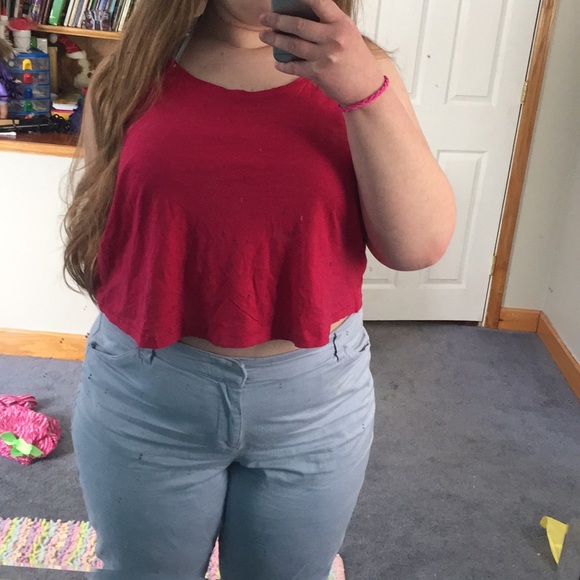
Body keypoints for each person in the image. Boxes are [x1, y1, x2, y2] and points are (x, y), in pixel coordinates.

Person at [62, 0, 456, 577]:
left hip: (314, 400)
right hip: (148, 392)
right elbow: (104, 227)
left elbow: (416, 247)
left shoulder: (364, 73)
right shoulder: (132, 71)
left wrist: (362, 94)